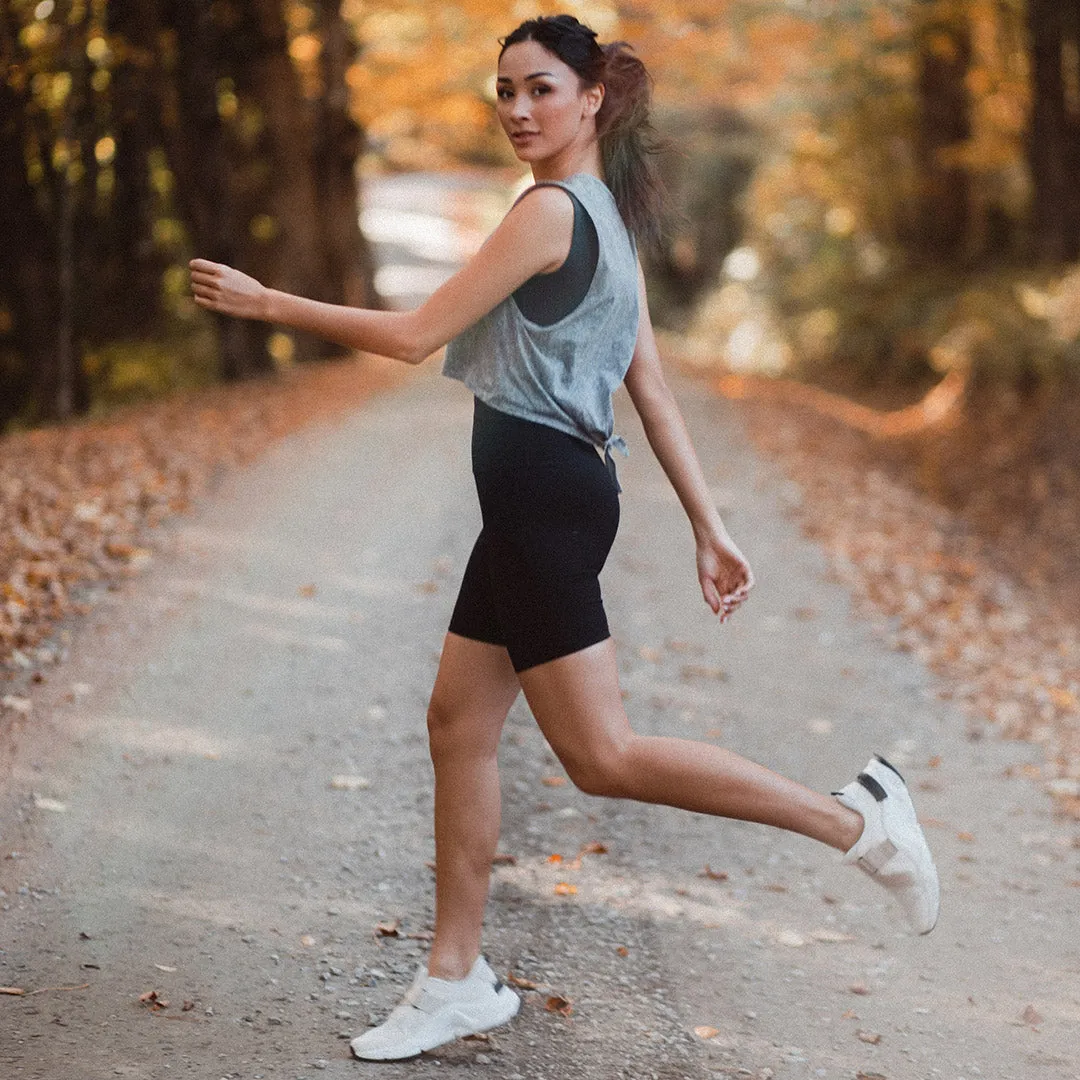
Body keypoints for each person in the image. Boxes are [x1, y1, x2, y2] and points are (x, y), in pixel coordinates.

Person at [189, 13, 940, 1062]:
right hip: (545, 501)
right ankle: (454, 980)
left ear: (592, 98)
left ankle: (857, 823)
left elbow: (413, 335)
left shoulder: (549, 213)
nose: (517, 111)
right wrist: (708, 528)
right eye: (504, 92)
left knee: (603, 755)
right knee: (458, 722)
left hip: (545, 502)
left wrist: (268, 300)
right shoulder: (607, 221)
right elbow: (652, 390)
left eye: (540, 88)